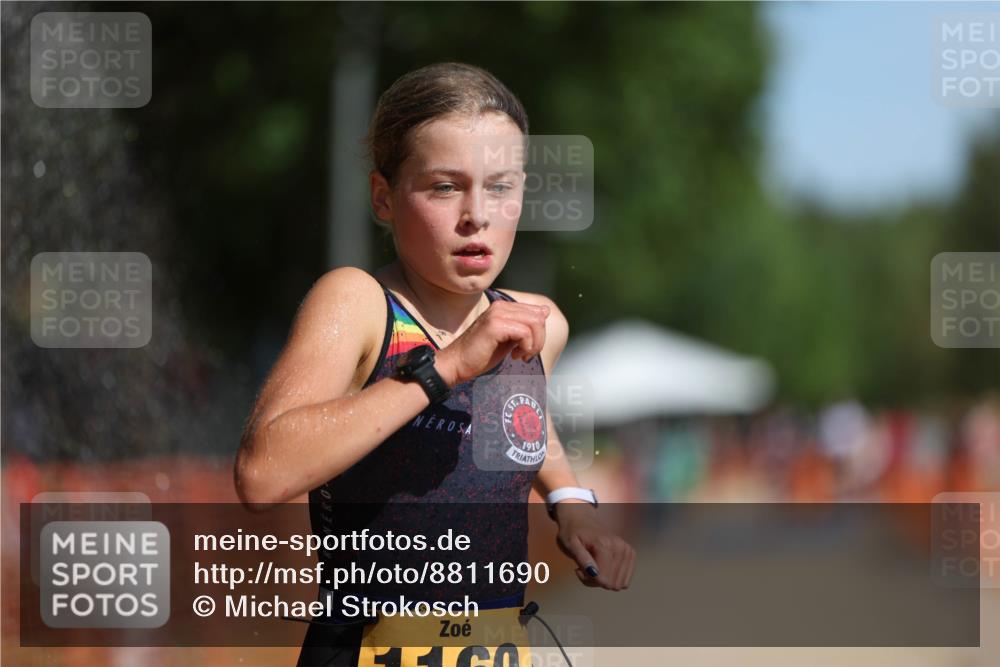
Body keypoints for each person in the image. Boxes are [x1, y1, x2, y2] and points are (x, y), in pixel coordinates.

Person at [235, 62, 635, 667]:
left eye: (500, 187)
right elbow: (262, 475)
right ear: (382, 197)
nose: (476, 214)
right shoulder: (359, 304)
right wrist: (444, 367)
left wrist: (573, 508)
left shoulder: (535, 324)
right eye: (445, 187)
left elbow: (521, 423)